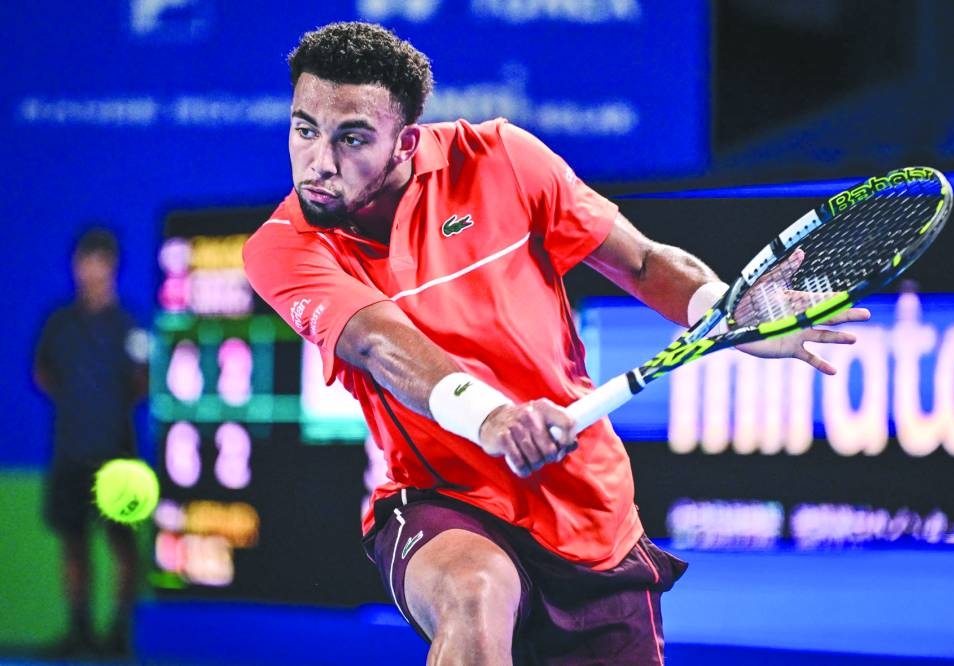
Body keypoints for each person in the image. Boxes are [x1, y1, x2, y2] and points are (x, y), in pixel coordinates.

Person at [243, 22, 870, 665]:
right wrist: (493, 418)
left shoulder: (500, 159)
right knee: (473, 590)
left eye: (351, 138)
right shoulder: (283, 247)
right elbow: (380, 341)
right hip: (443, 496)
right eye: (304, 130)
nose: (319, 162)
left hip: (590, 513)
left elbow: (641, 261)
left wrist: (727, 310)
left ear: (405, 142)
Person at [34, 227, 149, 659]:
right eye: (85, 260)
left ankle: (117, 634)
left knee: (122, 545)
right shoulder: (58, 323)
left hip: (117, 455)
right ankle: (78, 631)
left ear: (112, 267)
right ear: (75, 265)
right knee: (73, 541)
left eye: (100, 261)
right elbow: (42, 373)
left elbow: (142, 381)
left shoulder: (130, 325)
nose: (91, 270)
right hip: (69, 452)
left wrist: (107, 410)